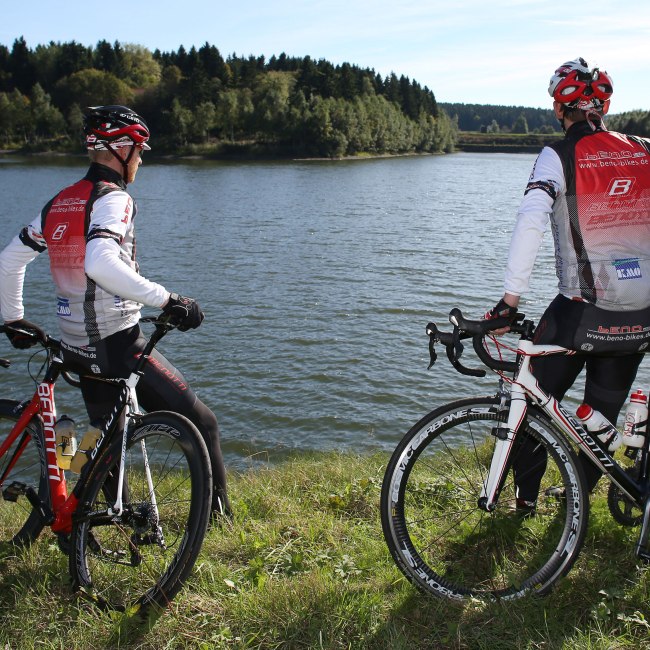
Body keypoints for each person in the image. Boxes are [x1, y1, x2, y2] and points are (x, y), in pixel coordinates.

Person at [0, 105, 231, 521]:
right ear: (120, 148)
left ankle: (97, 519)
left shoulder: (61, 201)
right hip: (116, 345)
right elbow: (100, 261)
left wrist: (14, 318)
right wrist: (168, 299)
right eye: (139, 150)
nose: (140, 160)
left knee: (105, 437)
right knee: (204, 424)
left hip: (75, 346)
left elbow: (10, 260)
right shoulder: (114, 199)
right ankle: (221, 520)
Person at [487, 58, 650, 510]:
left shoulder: (557, 155)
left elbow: (530, 223)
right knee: (602, 417)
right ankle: (576, 503)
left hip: (580, 314)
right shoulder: (644, 149)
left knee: (530, 406)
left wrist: (508, 301)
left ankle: (525, 501)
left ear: (560, 110)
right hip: (640, 317)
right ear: (605, 106)